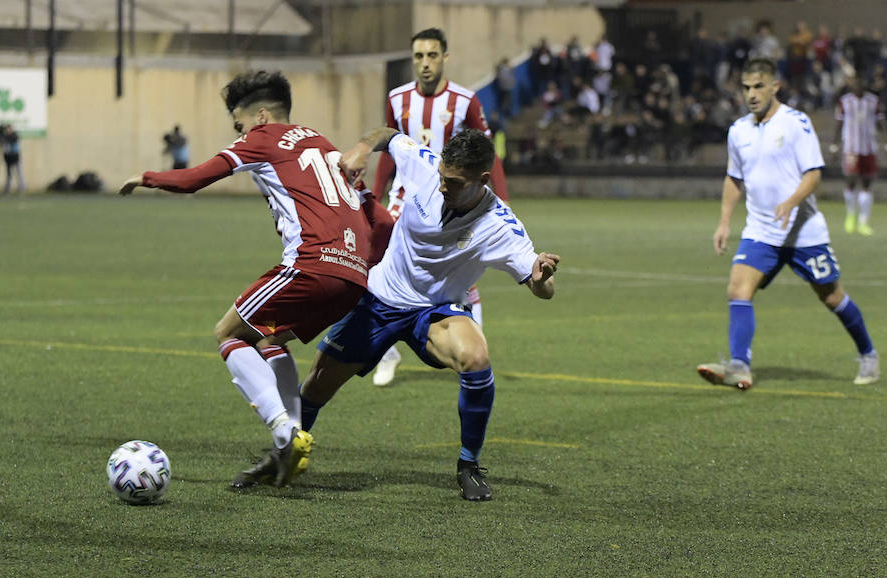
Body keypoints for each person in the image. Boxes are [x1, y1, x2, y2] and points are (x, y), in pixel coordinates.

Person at [119, 70, 389, 489]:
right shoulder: (325, 145)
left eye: (239, 125)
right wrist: (361, 265)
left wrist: (147, 178)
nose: (239, 134)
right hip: (353, 277)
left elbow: (196, 178)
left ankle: (284, 433)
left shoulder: (263, 138)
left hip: (312, 263)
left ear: (261, 116)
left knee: (228, 332)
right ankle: (291, 444)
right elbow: (383, 221)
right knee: (269, 338)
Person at [298, 127, 559, 502]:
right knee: (316, 386)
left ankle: (468, 465)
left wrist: (541, 278)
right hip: (380, 298)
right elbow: (388, 134)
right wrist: (363, 148)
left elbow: (542, 289)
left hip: (436, 311)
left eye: (454, 183)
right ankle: (283, 451)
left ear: (483, 180)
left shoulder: (500, 226)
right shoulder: (424, 165)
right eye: (442, 177)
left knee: (476, 356)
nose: (442, 187)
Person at [698, 59, 880, 392]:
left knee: (831, 297)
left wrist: (791, 201)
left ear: (775, 87)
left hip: (803, 232)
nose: (752, 95)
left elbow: (814, 174)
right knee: (738, 289)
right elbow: (734, 178)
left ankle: (868, 354)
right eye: (746, 88)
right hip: (761, 231)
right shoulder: (738, 130)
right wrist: (724, 223)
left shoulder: (796, 123)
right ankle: (739, 366)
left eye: (759, 87)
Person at [369, 28, 509, 387]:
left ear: (444, 57)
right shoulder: (397, 98)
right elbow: (388, 151)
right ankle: (387, 353)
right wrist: (376, 195)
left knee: (463, 275)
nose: (425, 63)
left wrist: (502, 200)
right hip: (404, 201)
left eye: (432, 55)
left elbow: (487, 153)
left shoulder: (464, 100)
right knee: (377, 269)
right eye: (419, 56)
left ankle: (473, 354)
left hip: (452, 204)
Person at [832, 73, 886, 236]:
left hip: (869, 147)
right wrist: (834, 145)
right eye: (855, 85)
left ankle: (863, 222)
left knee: (867, 183)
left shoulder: (873, 101)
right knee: (850, 181)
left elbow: (880, 122)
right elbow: (839, 123)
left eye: (860, 85)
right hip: (851, 148)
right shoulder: (845, 101)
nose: (858, 88)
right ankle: (850, 217)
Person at [0, 122, 24, 193]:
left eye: (9, 129)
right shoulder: (5, 136)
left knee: (19, 173)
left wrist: (4, 136)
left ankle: (22, 188)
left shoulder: (14, 135)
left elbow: (11, 139)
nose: (7, 130)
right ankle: (7, 188)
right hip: (8, 158)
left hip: (15, 157)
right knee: (8, 175)